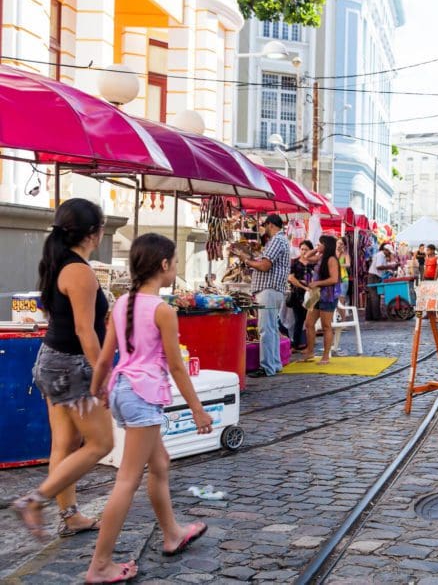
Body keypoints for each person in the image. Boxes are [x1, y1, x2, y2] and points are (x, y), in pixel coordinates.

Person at [84, 234, 211, 584]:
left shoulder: (123, 302)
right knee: (127, 480)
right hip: (143, 395)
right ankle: (99, 564)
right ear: (164, 265)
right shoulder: (162, 310)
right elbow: (176, 366)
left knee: (160, 463)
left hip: (124, 390)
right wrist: (198, 409)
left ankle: (172, 533)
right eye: (174, 261)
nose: (176, 267)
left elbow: (108, 354)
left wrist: (98, 389)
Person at [12, 199, 112, 540]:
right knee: (101, 443)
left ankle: (69, 516)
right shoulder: (79, 272)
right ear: (94, 233)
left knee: (66, 443)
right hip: (70, 367)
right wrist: (102, 374)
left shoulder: (59, 263)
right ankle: (34, 499)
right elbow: (86, 331)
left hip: (54, 361)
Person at [235, 214, 290, 377]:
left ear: (271, 225)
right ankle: (274, 364)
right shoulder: (281, 241)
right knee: (271, 328)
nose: (263, 228)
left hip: (268, 289)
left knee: (266, 329)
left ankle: (267, 367)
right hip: (273, 289)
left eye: (264, 225)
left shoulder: (276, 240)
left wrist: (247, 261)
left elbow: (265, 266)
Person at [302, 235, 342, 365]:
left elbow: (334, 279)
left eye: (320, 244)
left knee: (326, 326)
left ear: (327, 245)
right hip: (318, 295)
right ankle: (310, 351)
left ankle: (326, 356)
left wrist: (317, 283)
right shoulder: (321, 257)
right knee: (309, 323)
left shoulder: (331, 259)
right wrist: (317, 249)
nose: (317, 245)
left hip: (328, 296)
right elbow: (306, 257)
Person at [286, 240, 316, 352]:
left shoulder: (313, 263)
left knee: (309, 321)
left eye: (306, 249)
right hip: (297, 294)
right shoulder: (295, 262)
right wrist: (303, 286)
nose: (303, 251)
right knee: (298, 320)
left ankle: (309, 344)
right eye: (302, 249)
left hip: (311, 294)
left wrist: (309, 284)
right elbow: (290, 278)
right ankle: (296, 344)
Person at [367, 243, 398, 321]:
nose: (389, 254)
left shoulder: (382, 256)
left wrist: (389, 268)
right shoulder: (380, 255)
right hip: (374, 276)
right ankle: (376, 317)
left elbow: (381, 266)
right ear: (386, 250)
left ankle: (371, 316)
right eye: (389, 252)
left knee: (374, 297)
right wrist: (390, 266)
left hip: (375, 276)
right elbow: (379, 266)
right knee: (375, 297)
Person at [337, 237, 351, 305]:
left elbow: (348, 264)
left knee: (341, 300)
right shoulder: (333, 253)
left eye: (341, 244)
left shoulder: (345, 254)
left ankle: (342, 315)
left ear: (344, 246)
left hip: (343, 279)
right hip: (334, 279)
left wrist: (339, 264)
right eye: (338, 243)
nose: (339, 245)